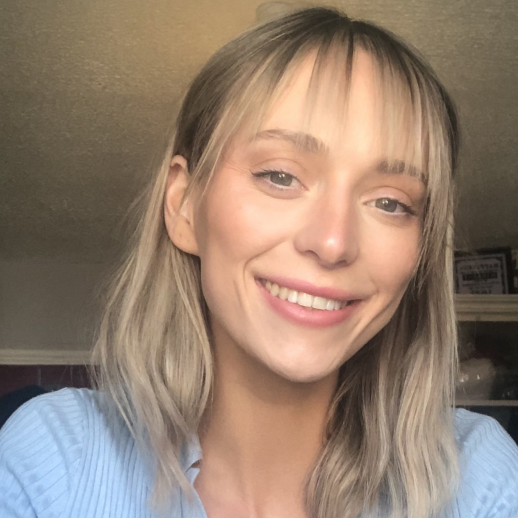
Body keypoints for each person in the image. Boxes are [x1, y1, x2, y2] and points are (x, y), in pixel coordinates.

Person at [1, 7, 517, 518]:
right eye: (280, 176)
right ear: (184, 205)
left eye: (390, 202)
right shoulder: (54, 460)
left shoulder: (478, 479)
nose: (333, 242)